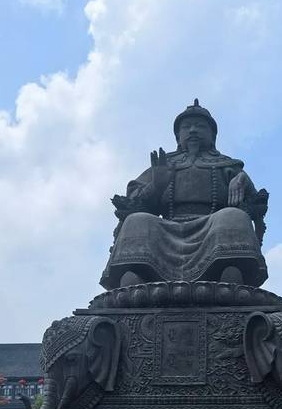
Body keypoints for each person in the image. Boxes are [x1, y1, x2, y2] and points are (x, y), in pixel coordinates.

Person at [100, 100, 268, 289]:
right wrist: (156, 186)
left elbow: (256, 203)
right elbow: (131, 203)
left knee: (233, 216)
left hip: (213, 226)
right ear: (178, 136)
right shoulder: (163, 165)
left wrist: (244, 180)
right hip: (167, 227)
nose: (193, 130)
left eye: (200, 126)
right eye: (187, 127)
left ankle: (227, 272)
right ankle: (139, 275)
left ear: (212, 136)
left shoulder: (227, 166)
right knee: (137, 220)